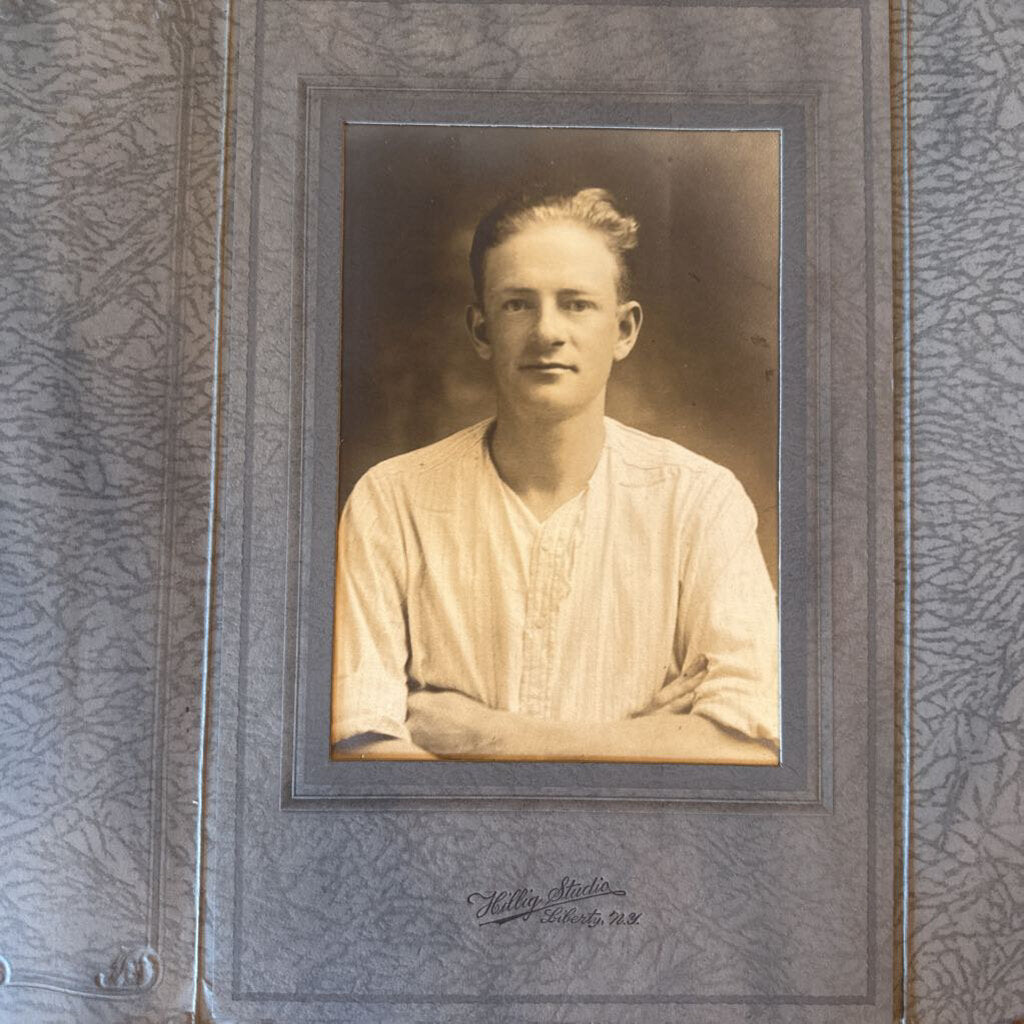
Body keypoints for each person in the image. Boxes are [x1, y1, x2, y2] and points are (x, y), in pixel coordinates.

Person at [331, 187, 779, 763]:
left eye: (576, 303)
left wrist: (490, 737)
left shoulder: (699, 500)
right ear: (481, 330)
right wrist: (646, 743)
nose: (547, 331)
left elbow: (752, 744)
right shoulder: (392, 500)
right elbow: (358, 745)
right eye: (518, 303)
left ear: (624, 330)